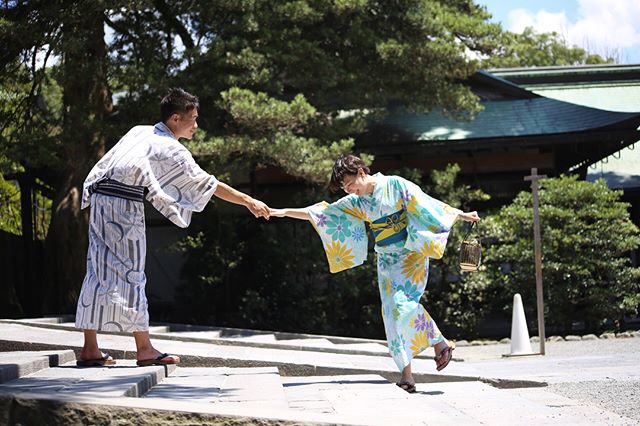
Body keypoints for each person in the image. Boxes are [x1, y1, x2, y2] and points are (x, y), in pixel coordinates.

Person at [75, 88, 270, 367]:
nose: (196, 125)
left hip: (100, 199)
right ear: (176, 118)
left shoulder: (139, 131)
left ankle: (90, 348)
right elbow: (208, 184)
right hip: (123, 205)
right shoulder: (169, 147)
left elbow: (104, 164)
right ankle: (144, 349)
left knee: (97, 268)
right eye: (194, 119)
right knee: (130, 271)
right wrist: (248, 200)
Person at [270, 154, 479, 393]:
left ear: (361, 172)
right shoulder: (357, 202)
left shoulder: (395, 184)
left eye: (350, 184)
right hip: (386, 260)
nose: (349, 190)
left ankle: (439, 342)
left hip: (410, 256)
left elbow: (426, 203)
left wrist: (460, 214)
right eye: (345, 188)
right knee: (391, 315)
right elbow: (322, 213)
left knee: (403, 305)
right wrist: (282, 212)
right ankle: (407, 376)